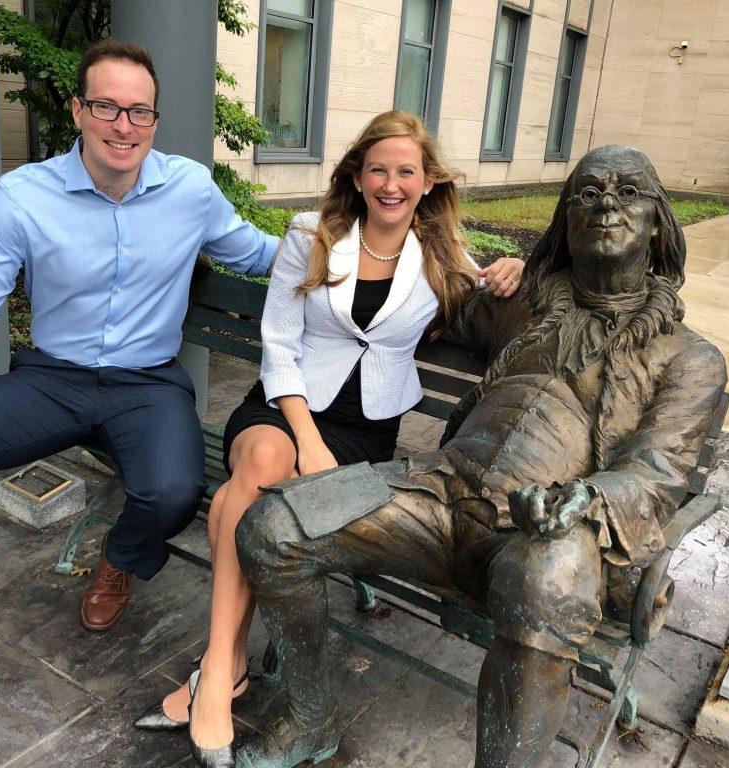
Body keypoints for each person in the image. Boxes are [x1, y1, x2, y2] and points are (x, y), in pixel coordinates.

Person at [0, 38, 279, 746]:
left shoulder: (190, 189)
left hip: (146, 385)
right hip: (51, 378)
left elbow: (258, 251)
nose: (123, 125)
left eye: (139, 111)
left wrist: (388, 248)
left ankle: (121, 559)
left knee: (172, 491)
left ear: (155, 121)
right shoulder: (25, 195)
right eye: (106, 106)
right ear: (78, 109)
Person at [233, 145, 728, 768]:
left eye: (628, 192)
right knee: (274, 527)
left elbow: (659, 472)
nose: (606, 203)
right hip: (433, 492)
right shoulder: (522, 303)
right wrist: (495, 271)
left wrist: (590, 498)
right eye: (588, 192)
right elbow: (427, 297)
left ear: (659, 222)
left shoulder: (690, 359)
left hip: (540, 533)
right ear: (564, 220)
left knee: (548, 576)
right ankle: (309, 720)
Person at [131, 110, 524, 768]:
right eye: (379, 169)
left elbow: (502, 293)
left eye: (407, 171)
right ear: (358, 175)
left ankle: (219, 673)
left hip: (363, 428)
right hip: (287, 403)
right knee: (261, 465)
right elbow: (279, 345)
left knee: (246, 494)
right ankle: (220, 674)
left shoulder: (443, 256)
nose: (392, 184)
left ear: (427, 182)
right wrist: (306, 442)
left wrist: (514, 268)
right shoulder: (312, 234)